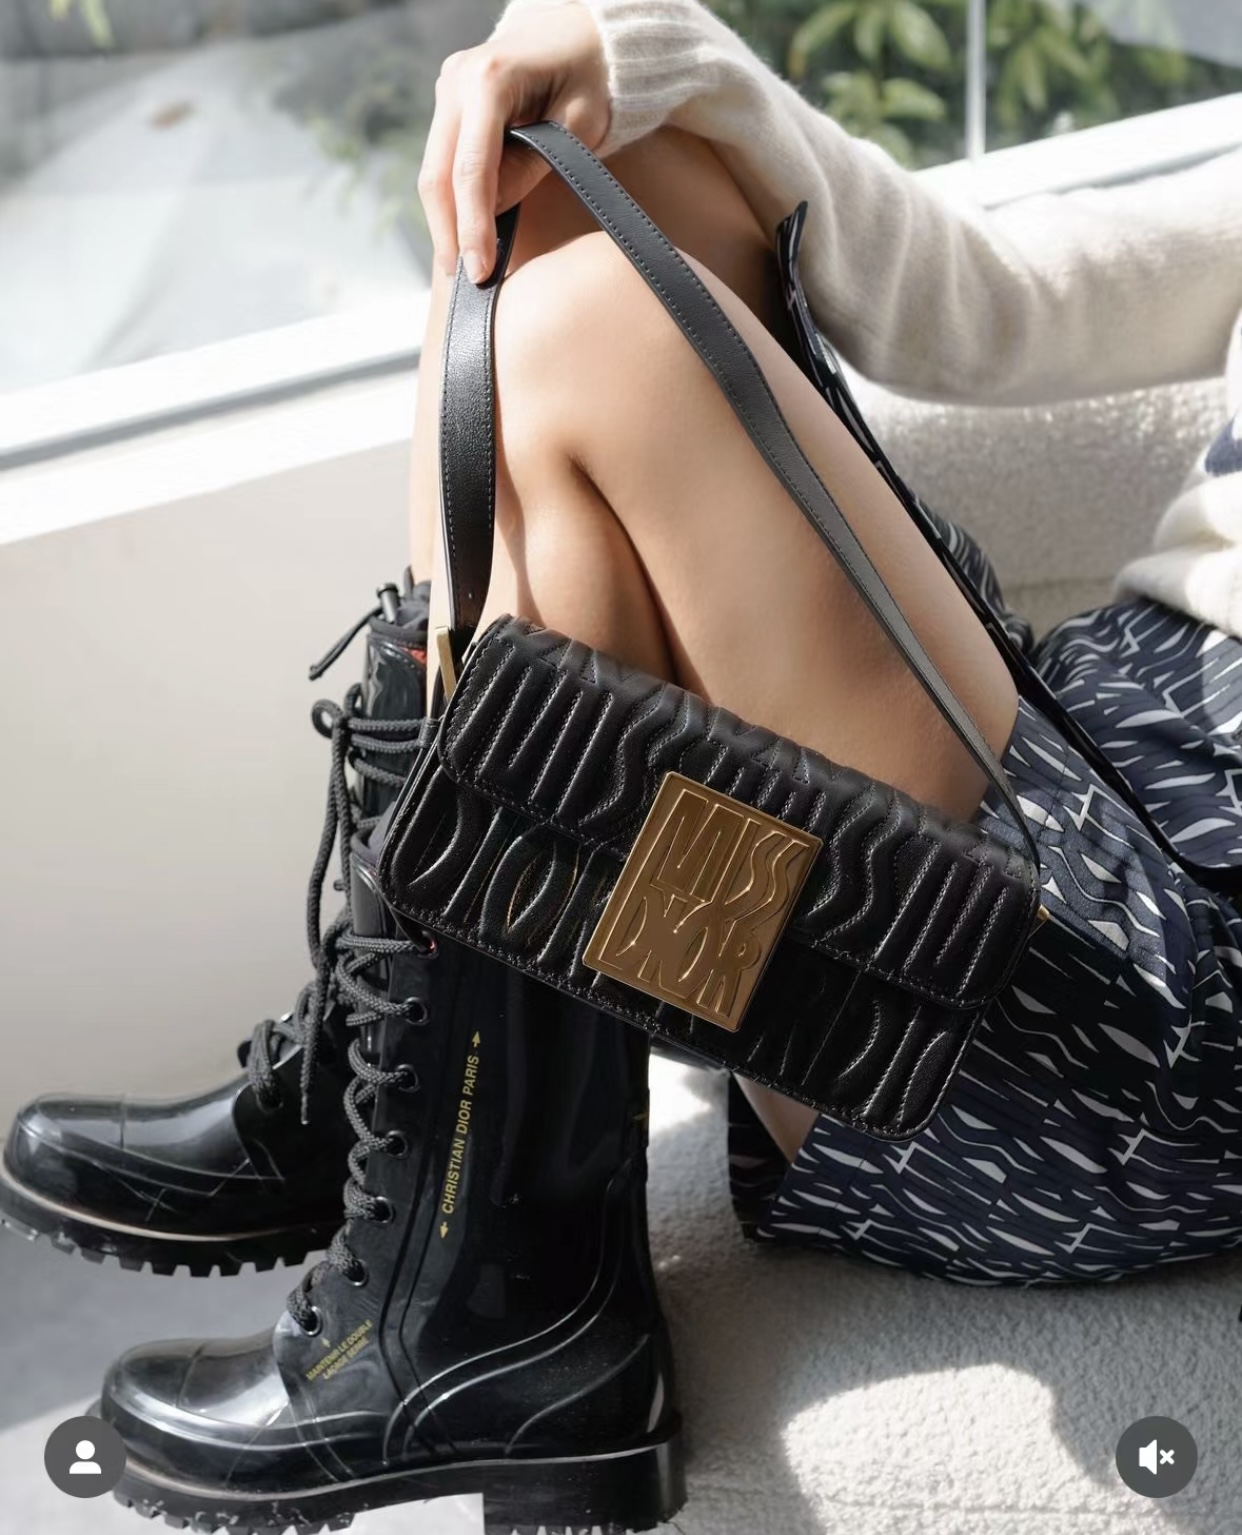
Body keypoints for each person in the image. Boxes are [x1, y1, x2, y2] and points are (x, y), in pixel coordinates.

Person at [4, 1, 1242, 1528]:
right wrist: (652, 51)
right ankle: (475, 1183)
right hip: (1093, 749)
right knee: (573, 165)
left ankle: (480, 1235)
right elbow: (996, 305)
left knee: (586, 328)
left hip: (1132, 1020)